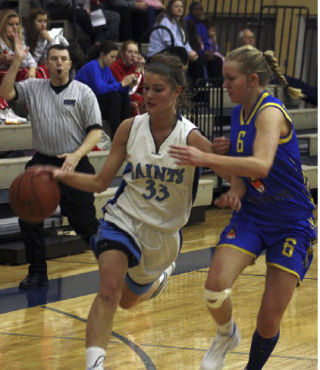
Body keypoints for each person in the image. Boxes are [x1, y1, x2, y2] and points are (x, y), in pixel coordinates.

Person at [39, 52, 227, 370]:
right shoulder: (130, 128)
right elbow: (100, 182)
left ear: (177, 93)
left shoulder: (192, 137)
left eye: (158, 90)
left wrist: (231, 183)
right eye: (147, 89)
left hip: (163, 235)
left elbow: (231, 172)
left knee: (127, 301)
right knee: (109, 290)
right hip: (122, 219)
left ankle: (158, 278)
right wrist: (60, 175)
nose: (149, 96)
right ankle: (94, 366)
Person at [169, 45, 316, 370]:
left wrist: (205, 157)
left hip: (291, 222)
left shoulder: (270, 112)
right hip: (252, 214)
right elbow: (242, 175)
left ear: (251, 80)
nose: (225, 85)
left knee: (268, 319)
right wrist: (234, 189)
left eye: (230, 79)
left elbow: (261, 165)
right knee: (214, 288)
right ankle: (226, 333)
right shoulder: (239, 112)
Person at [0, 35, 102, 289]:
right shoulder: (34, 87)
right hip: (42, 162)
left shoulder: (83, 92)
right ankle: (37, 272)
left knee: (85, 224)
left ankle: (113, 265)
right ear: (47, 62)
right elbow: (5, 92)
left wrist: (76, 155)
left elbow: (96, 131)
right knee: (29, 219)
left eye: (63, 59)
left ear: (70, 64)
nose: (59, 63)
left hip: (74, 163)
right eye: (54, 58)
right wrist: (17, 62)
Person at [75, 41, 136, 138]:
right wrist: (122, 83)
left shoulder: (107, 68)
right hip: (83, 103)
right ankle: (116, 135)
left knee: (123, 96)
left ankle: (127, 133)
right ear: (102, 55)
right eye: (112, 57)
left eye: (115, 58)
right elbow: (99, 89)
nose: (114, 60)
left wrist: (128, 86)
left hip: (95, 101)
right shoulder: (93, 66)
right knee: (114, 97)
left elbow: (117, 87)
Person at [0, 8, 47, 123]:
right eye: (11, 24)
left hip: (15, 72)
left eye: (17, 24)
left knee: (40, 70)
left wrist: (31, 70)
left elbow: (31, 61)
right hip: (4, 74)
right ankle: (4, 109)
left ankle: (38, 109)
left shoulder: (19, 40)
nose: (15, 28)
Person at [146, 0, 205, 84]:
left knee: (200, 58)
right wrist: (188, 52)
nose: (179, 9)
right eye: (176, 6)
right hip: (157, 53)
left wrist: (191, 52)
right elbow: (169, 41)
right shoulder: (165, 20)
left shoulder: (178, 22)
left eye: (181, 7)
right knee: (181, 51)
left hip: (169, 50)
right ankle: (183, 83)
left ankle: (199, 87)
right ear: (170, 8)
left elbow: (184, 41)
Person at [185, 2, 223, 80]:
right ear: (190, 10)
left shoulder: (201, 25)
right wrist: (203, 52)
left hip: (202, 52)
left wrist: (208, 51)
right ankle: (199, 87)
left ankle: (215, 87)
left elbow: (205, 43)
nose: (198, 12)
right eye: (195, 9)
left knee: (217, 60)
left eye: (200, 10)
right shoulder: (186, 22)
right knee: (199, 60)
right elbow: (190, 42)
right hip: (192, 52)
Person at [110, 40, 144, 115]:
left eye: (136, 52)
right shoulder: (114, 67)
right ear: (122, 54)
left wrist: (142, 70)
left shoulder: (136, 65)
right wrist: (138, 71)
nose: (133, 55)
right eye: (130, 52)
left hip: (135, 98)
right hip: (121, 98)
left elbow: (142, 87)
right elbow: (129, 92)